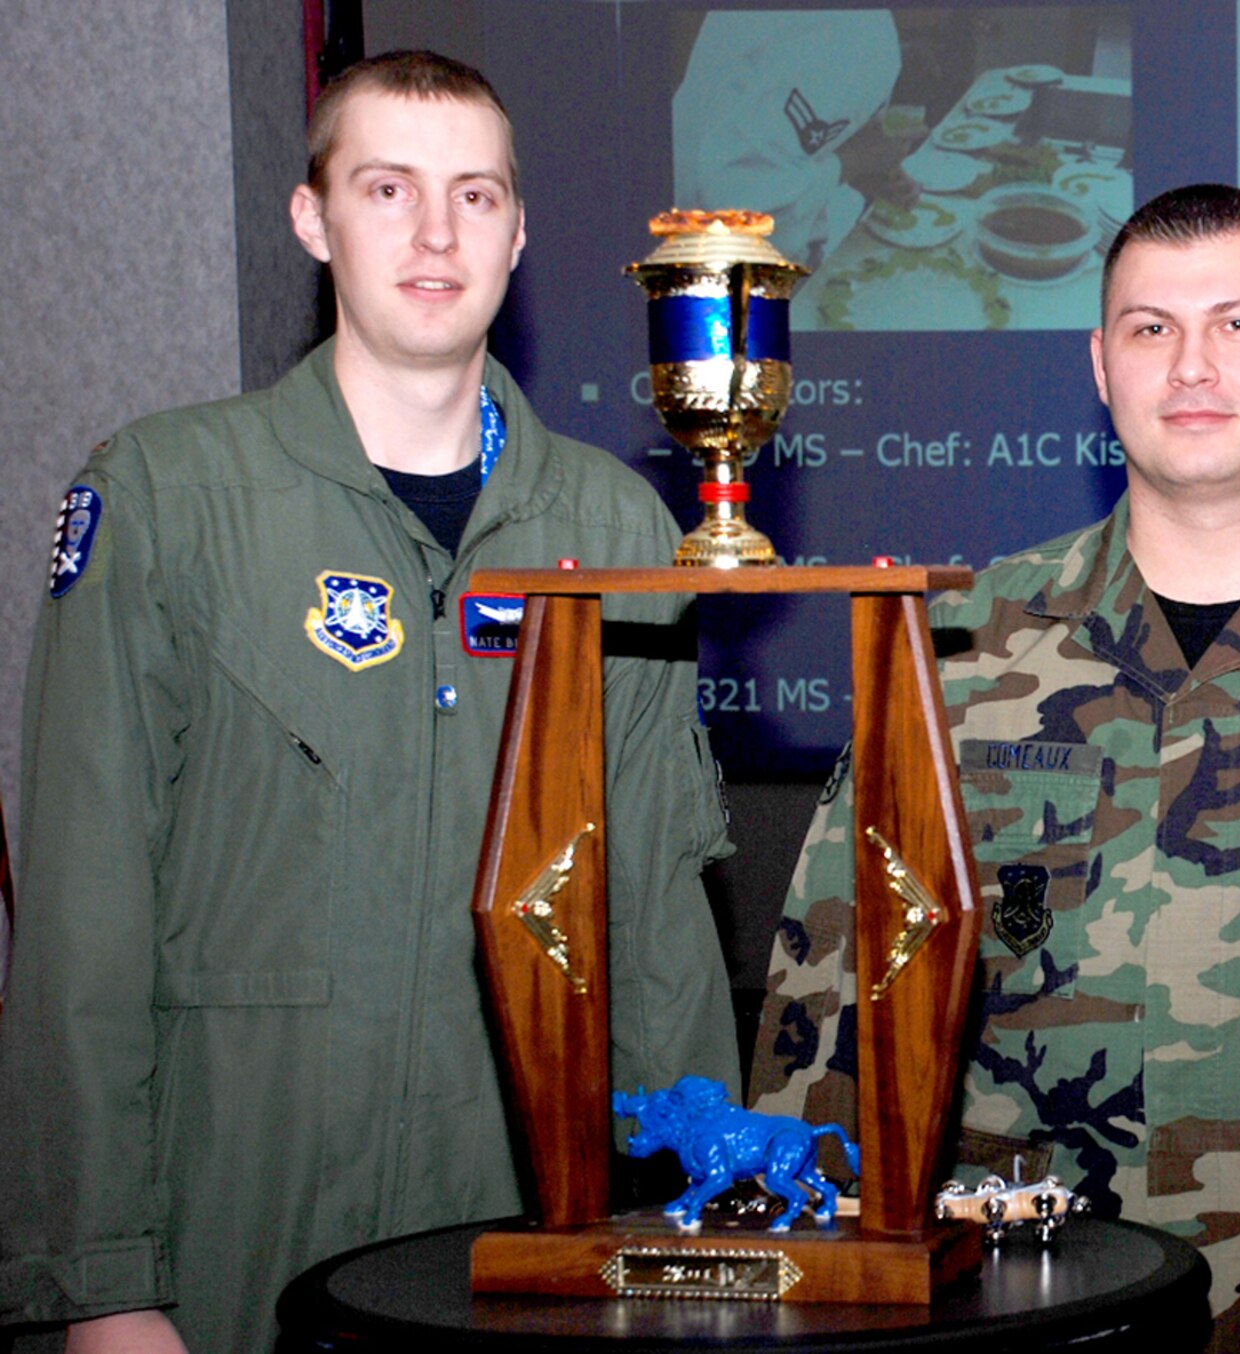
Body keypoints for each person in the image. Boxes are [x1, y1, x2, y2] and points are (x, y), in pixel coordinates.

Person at [0, 52, 736, 1354]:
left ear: (519, 230)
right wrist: (101, 1280)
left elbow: (659, 924)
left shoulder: (612, 525)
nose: (436, 233)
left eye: (475, 194)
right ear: (312, 217)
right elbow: (81, 916)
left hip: (519, 1239)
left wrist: (707, 1239)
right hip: (229, 1229)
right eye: (387, 187)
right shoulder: (169, 496)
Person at [748, 184, 1240, 1350]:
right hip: (1012, 1309)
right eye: (1149, 328)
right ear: (1098, 365)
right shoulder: (963, 649)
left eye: (1237, 322)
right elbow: (829, 1006)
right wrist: (821, 1291)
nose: (1190, 367)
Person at [671, 9, 916, 270]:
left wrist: (859, 164)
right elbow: (737, 208)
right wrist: (852, 163)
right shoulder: (839, 36)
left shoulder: (857, 33)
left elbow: (792, 134)